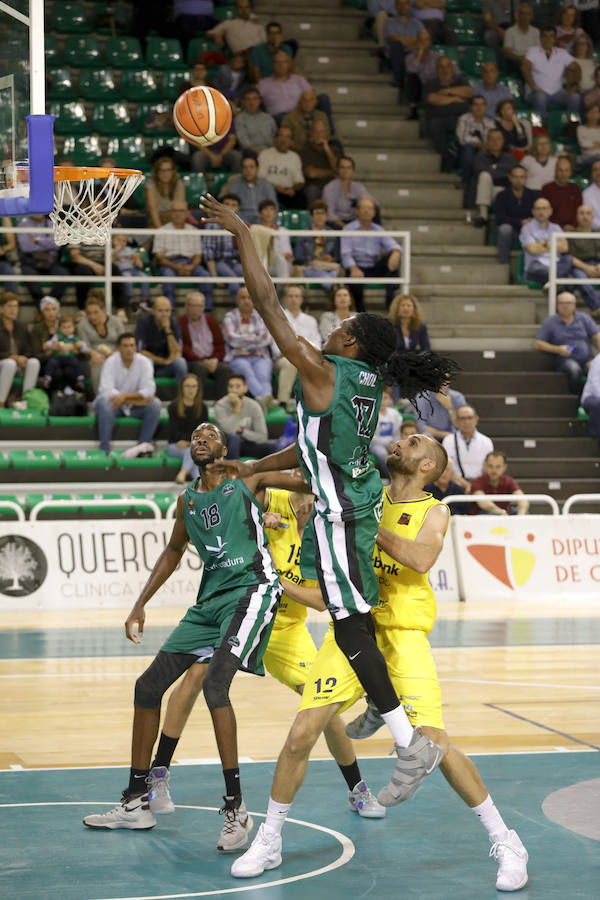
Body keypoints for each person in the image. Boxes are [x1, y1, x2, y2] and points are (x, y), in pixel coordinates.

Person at [199, 191, 458, 826]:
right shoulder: (365, 382)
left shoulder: (325, 371)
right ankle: (390, 719)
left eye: (340, 327)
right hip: (348, 503)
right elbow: (314, 447)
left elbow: (267, 304)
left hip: (341, 514)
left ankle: (407, 741)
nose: (329, 329)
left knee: (347, 623)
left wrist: (243, 234)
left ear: (352, 340)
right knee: (352, 619)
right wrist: (255, 466)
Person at [232, 434, 529, 892]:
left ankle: (506, 841)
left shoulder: (434, 511)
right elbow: (313, 483)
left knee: (435, 745)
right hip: (353, 629)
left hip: (402, 637)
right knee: (302, 732)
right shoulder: (366, 490)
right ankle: (269, 839)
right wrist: (259, 477)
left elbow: (421, 559)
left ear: (428, 465)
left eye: (412, 442)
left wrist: (368, 523)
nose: (398, 444)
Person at [82, 421, 291, 848]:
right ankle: (135, 802)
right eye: (196, 436)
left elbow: (305, 476)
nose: (201, 439)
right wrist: (140, 603)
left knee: (214, 685)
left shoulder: (247, 477)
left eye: (210, 435)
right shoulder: (188, 500)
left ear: (224, 448)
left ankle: (236, 809)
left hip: (251, 588)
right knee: (147, 687)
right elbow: (174, 550)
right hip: (209, 602)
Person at [94, 332, 162, 456]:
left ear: (136, 347)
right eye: (125, 346)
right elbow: (106, 389)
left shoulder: (144, 362)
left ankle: (143, 447)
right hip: (115, 404)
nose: (129, 349)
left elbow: (149, 390)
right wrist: (132, 399)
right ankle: (104, 449)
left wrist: (124, 397)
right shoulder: (110, 361)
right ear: (118, 348)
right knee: (104, 404)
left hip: (134, 405)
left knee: (155, 404)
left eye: (132, 345)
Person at [341, 194, 402, 311]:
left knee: (395, 257)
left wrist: (396, 252)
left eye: (369, 208)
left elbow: (393, 244)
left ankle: (390, 300)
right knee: (351, 275)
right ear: (357, 211)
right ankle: (360, 312)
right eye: (363, 208)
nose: (366, 211)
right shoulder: (348, 229)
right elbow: (345, 254)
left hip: (374, 267)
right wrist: (354, 268)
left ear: (374, 212)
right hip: (357, 266)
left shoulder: (378, 229)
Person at [534, 290, 600, 393]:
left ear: (574, 305)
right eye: (562, 303)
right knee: (574, 369)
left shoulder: (583, 318)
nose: (565, 306)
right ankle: (577, 397)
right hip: (565, 360)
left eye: (568, 303)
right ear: (557, 305)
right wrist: (557, 349)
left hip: (587, 359)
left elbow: (597, 335)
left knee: (596, 368)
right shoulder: (550, 322)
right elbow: (538, 344)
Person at [152, 202, 212, 309]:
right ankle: (169, 311)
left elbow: (198, 255)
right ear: (170, 213)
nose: (178, 214)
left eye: (181, 211)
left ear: (186, 213)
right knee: (168, 278)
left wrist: (191, 267)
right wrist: (176, 267)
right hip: (169, 264)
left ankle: (207, 310)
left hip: (190, 263)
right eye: (175, 211)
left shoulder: (194, 231)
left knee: (205, 276)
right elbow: (159, 256)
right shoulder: (162, 231)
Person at [221, 286, 275, 404]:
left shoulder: (262, 316)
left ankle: (262, 400)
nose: (246, 301)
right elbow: (232, 340)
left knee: (263, 375)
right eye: (243, 297)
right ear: (237, 299)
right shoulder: (229, 317)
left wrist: (243, 340)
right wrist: (255, 338)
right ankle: (266, 399)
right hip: (238, 357)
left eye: (249, 298)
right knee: (247, 372)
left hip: (261, 356)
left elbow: (266, 338)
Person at [274, 284, 321, 410]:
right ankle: (283, 403)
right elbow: (274, 344)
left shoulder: (310, 320)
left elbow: (317, 343)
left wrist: (306, 354)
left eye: (296, 296)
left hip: (307, 358)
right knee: (289, 364)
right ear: (284, 299)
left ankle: (315, 404)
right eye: (290, 296)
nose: (294, 299)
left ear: (301, 299)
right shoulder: (278, 318)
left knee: (316, 365)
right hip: (284, 358)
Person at [177, 291, 231, 399]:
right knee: (201, 368)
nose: (195, 309)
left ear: (203, 307)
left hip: (212, 359)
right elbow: (184, 348)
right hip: (193, 361)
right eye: (192, 305)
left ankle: (220, 402)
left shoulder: (211, 321)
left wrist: (215, 359)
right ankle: (197, 401)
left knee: (224, 369)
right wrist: (202, 361)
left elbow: (220, 345)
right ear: (186, 306)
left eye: (199, 306)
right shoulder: (180, 322)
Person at [424, 55, 474, 170]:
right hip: (440, 120)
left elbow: (470, 92)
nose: (445, 70)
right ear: (436, 69)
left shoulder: (460, 81)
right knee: (434, 123)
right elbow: (433, 99)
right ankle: (447, 157)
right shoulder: (431, 83)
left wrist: (447, 92)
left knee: (469, 119)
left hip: (459, 119)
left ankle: (460, 157)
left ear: (452, 68)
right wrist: (455, 99)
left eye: (447, 66)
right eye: (441, 66)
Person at [522, 25, 581, 119]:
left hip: (558, 92)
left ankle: (571, 124)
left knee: (575, 97)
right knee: (540, 97)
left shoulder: (562, 52)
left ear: (555, 39)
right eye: (545, 36)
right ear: (540, 38)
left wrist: (574, 85)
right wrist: (534, 87)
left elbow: (576, 68)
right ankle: (542, 126)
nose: (548, 39)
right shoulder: (533, 51)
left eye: (551, 36)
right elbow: (525, 67)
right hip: (536, 92)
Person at [213, 373, 275, 458]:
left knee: (274, 447)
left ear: (245, 388)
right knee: (234, 438)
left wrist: (242, 431)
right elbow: (230, 431)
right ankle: (232, 466)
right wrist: (237, 409)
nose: (234, 390)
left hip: (247, 444)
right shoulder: (220, 405)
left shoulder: (254, 406)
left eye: (238, 386)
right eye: (230, 386)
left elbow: (263, 437)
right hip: (226, 446)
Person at [520, 196, 573, 286]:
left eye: (544, 208)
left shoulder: (556, 228)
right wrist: (554, 245)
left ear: (550, 211)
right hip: (536, 265)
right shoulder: (527, 228)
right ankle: (561, 283)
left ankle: (555, 284)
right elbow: (532, 250)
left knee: (568, 259)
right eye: (538, 209)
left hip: (556, 265)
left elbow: (565, 247)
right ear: (533, 211)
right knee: (542, 271)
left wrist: (543, 244)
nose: (541, 212)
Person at [77, 294, 124, 395]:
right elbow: (84, 345)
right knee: (97, 364)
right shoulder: (82, 325)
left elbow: (123, 341)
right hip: (93, 356)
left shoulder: (116, 321)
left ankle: (121, 397)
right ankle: (100, 398)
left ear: (103, 310)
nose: (92, 316)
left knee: (118, 364)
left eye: (96, 312)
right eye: (89, 313)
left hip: (116, 354)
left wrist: (115, 353)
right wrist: (92, 353)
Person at [16, 214, 68, 305]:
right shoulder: (23, 225)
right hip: (31, 262)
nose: (38, 212)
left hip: (50, 262)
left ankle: (50, 305)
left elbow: (57, 244)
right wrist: (48, 243)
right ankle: (41, 307)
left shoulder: (53, 224)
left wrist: (37, 240)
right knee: (30, 276)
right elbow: (26, 247)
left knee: (63, 275)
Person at [0, 292, 40, 408]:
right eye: (9, 306)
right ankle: (1, 402)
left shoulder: (21, 326)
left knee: (34, 362)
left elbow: (29, 349)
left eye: (15, 306)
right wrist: (12, 357)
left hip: (18, 363)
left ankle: (25, 401)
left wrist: (24, 358)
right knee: (10, 363)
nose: (13, 310)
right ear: (1, 308)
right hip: (4, 362)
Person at [469, 128, 515, 227]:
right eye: (492, 139)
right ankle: (483, 215)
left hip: (503, 193)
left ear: (503, 141)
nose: (495, 142)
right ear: (487, 141)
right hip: (485, 192)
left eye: (498, 139)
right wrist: (502, 172)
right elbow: (480, 171)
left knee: (492, 181)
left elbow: (513, 175)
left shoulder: (510, 158)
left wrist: (493, 169)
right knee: (484, 175)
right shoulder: (480, 157)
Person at [135, 296, 188, 382]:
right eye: (160, 311)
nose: (164, 314)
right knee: (147, 361)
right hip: (151, 364)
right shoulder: (143, 322)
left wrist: (168, 330)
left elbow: (177, 352)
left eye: (167, 311)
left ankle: (182, 390)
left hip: (167, 367)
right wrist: (163, 361)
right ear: (153, 311)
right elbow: (141, 352)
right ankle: (147, 390)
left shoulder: (174, 323)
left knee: (180, 362)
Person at [494, 164, 539, 264]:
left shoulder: (533, 195)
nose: (519, 180)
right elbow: (500, 218)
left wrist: (531, 222)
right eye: (515, 177)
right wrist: (520, 222)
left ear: (526, 179)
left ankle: (535, 265)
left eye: (522, 177)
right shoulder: (502, 196)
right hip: (512, 232)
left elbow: (539, 215)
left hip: (530, 230)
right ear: (510, 177)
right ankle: (503, 264)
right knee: (504, 229)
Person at [168, 373, 209, 483]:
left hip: (195, 445)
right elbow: (174, 433)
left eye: (194, 386)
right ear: (182, 388)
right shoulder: (173, 406)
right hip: (176, 445)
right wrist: (190, 441)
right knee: (192, 451)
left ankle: (191, 478)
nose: (190, 389)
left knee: (192, 451)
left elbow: (204, 432)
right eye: (187, 386)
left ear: (198, 388)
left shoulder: (202, 407)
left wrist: (189, 442)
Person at [202, 194, 244, 301]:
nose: (230, 207)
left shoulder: (241, 225)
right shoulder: (212, 224)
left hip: (236, 262)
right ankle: (240, 308)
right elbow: (208, 253)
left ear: (238, 208)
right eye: (227, 204)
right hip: (219, 262)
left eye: (233, 205)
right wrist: (214, 276)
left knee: (248, 280)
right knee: (234, 282)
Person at [69, 240, 127, 312]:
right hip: (84, 263)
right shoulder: (77, 234)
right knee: (83, 272)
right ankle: (82, 310)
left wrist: (114, 252)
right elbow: (75, 256)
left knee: (115, 270)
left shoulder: (105, 234)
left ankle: (120, 310)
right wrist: (94, 265)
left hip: (104, 262)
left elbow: (111, 256)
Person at [442, 404, 494, 483]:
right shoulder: (448, 440)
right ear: (457, 421)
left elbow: (488, 468)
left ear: (476, 419)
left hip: (479, 484)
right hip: (456, 483)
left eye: (470, 418)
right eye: (462, 418)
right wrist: (464, 484)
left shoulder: (486, 441)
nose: (466, 422)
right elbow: (447, 468)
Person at [257, 125, 305, 209]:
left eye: (287, 137)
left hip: (288, 191)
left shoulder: (295, 157)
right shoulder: (265, 154)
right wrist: (275, 187)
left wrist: (292, 189)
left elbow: (299, 181)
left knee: (301, 199)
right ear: (275, 139)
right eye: (281, 136)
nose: (283, 140)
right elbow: (260, 178)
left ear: (292, 142)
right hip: (270, 190)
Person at [293, 200, 341, 281]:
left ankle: (329, 280)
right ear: (311, 216)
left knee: (335, 270)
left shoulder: (332, 234)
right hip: (310, 266)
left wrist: (331, 258)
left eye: (323, 213)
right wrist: (314, 259)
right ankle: (330, 282)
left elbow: (337, 257)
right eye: (317, 213)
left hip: (327, 266)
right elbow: (298, 257)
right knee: (322, 272)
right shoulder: (303, 234)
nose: (320, 216)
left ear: (327, 216)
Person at [469, 450, 529, 515]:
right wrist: (501, 513)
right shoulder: (477, 482)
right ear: (485, 466)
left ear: (504, 467)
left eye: (498, 467)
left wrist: (521, 515)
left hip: (505, 516)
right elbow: (483, 503)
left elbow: (522, 499)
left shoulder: (509, 481)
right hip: (484, 516)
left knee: (523, 511)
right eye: (490, 466)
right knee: (488, 513)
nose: (494, 470)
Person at [455, 95, 495, 189]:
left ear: (485, 107)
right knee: (468, 149)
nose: (479, 108)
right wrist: (479, 143)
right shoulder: (464, 118)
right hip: (465, 150)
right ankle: (465, 181)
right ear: (471, 107)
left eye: (482, 105)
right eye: (476, 105)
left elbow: (492, 141)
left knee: (486, 153)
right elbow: (462, 139)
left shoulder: (490, 122)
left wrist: (484, 145)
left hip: (484, 150)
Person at [258, 51, 311, 120]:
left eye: (284, 62)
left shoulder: (300, 80)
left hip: (297, 117)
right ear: (273, 64)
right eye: (278, 62)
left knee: (323, 98)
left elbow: (311, 97)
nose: (281, 65)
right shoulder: (263, 83)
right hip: (276, 118)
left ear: (289, 64)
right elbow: (253, 99)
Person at [41, 312, 86, 393]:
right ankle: (47, 377)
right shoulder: (57, 336)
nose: (67, 329)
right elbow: (49, 343)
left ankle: (80, 378)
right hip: (58, 357)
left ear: (74, 328)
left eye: (69, 327)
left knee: (76, 363)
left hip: (70, 358)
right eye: (64, 327)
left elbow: (82, 346)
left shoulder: (75, 338)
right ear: (60, 328)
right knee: (51, 362)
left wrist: (79, 345)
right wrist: (49, 345)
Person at [227, 155, 278, 225]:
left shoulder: (266, 186)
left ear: (257, 168)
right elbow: (231, 208)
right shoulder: (235, 186)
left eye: (251, 167)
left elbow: (274, 207)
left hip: (263, 223)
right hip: (242, 223)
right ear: (241, 170)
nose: (248, 170)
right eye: (245, 167)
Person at [300, 119, 341, 206]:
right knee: (312, 191)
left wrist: (327, 149)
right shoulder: (305, 150)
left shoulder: (334, 150)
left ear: (327, 134)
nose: (319, 135)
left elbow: (337, 169)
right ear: (311, 134)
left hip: (332, 186)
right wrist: (332, 172)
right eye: (316, 131)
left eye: (322, 132)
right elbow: (311, 173)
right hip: (314, 186)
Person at [568, 203, 600, 310]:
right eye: (582, 213)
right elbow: (569, 258)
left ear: (593, 216)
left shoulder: (598, 233)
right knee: (579, 276)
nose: (585, 216)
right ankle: (597, 307)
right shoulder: (570, 235)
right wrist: (587, 268)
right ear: (576, 216)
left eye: (588, 213)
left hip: (598, 265)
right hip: (580, 267)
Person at [404, 28, 441, 120]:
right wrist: (419, 55)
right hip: (419, 88)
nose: (424, 43)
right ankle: (413, 110)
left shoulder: (437, 57)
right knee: (412, 78)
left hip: (433, 86)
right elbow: (412, 71)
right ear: (417, 42)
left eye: (426, 40)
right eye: (421, 40)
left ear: (430, 42)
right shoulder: (409, 57)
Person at [385, 0, 422, 90]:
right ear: (396, 6)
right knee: (397, 46)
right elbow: (393, 37)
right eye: (400, 4)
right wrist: (412, 41)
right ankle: (398, 79)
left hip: (413, 53)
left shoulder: (417, 23)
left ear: (409, 5)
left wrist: (403, 40)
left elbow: (422, 39)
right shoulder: (390, 21)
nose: (403, 6)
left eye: (406, 3)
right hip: (396, 53)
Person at [322, 157, 368, 229]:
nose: (345, 171)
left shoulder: (359, 187)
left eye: (349, 168)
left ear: (353, 170)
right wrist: (346, 228)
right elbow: (330, 214)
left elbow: (366, 203)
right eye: (342, 167)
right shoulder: (329, 188)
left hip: (354, 221)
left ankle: (377, 233)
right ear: (337, 169)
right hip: (336, 222)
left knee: (374, 208)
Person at [252, 198, 293, 278]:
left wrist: (275, 254)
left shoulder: (282, 230)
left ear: (275, 213)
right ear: (260, 212)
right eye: (265, 209)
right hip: (260, 263)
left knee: (279, 258)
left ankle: (284, 284)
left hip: (278, 264)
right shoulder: (254, 230)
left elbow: (288, 254)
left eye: (271, 209)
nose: (269, 212)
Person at [282, 89, 331, 153]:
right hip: (297, 152)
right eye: (305, 99)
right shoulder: (289, 118)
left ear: (316, 102)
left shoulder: (322, 116)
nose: (308, 102)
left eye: (311, 99)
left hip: (318, 151)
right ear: (300, 102)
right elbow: (285, 139)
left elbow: (327, 136)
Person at [540, 155, 582, 230]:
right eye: (560, 170)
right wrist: (560, 227)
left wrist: (572, 226)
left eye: (567, 170)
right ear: (555, 171)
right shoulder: (547, 189)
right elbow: (544, 212)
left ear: (570, 172)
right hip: (552, 229)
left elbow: (579, 211)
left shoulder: (576, 189)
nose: (564, 174)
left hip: (573, 229)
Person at [145, 156, 187, 230]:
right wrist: (161, 231)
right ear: (157, 172)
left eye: (168, 170)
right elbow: (153, 210)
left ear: (173, 171)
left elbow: (180, 209)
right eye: (162, 170)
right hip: (157, 219)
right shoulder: (150, 184)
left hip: (174, 218)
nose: (165, 174)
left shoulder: (179, 184)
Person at [369, 385, 403, 476]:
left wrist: (395, 444)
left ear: (390, 399)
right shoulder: (371, 414)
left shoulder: (395, 414)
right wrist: (388, 444)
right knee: (382, 453)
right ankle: (392, 477)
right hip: (374, 444)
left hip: (392, 443)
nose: (382, 401)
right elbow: (371, 437)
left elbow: (396, 434)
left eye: (385, 398)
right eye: (379, 398)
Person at [111, 234, 151, 309]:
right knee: (128, 279)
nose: (121, 243)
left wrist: (137, 260)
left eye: (124, 241)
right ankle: (130, 299)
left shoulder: (129, 249)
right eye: (118, 240)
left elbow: (138, 262)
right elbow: (109, 261)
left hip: (134, 269)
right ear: (112, 241)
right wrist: (116, 251)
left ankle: (145, 299)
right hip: (122, 271)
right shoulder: (111, 250)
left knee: (145, 277)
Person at [235, 88, 277, 155]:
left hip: (271, 151)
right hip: (251, 152)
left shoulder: (268, 117)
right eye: (248, 99)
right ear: (243, 102)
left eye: (254, 99)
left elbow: (275, 137)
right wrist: (262, 154)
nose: (251, 102)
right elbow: (243, 141)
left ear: (259, 101)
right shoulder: (239, 119)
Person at [503, 2, 540, 72]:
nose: (525, 17)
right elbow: (507, 52)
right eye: (523, 14)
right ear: (518, 15)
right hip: (517, 61)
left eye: (528, 14)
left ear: (531, 16)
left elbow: (538, 50)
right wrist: (521, 58)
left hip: (532, 60)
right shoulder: (510, 32)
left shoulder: (536, 31)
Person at [28, 296, 61, 373]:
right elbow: (36, 353)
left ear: (58, 310)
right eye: (47, 309)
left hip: (63, 359)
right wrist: (50, 352)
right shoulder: (37, 328)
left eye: (53, 309)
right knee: (57, 372)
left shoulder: (63, 326)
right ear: (42, 312)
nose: (51, 312)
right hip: (44, 362)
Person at [580, 350, 600, 449]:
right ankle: (597, 436)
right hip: (591, 397)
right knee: (597, 404)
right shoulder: (598, 360)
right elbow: (595, 385)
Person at [576, 102, 600, 171]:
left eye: (596, 112)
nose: (593, 115)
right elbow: (583, 144)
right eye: (591, 112)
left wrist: (591, 145)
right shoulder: (581, 128)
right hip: (586, 158)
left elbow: (588, 144)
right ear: (586, 114)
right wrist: (597, 144)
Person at [0, 217, 17, 293]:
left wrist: (3, 249)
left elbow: (12, 244)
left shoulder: (5, 218)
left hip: (2, 260)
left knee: (8, 271)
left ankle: (11, 298)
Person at [582, 157, 600, 228]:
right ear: (592, 173)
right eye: (595, 170)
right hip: (596, 231)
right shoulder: (586, 194)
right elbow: (587, 216)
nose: (598, 173)